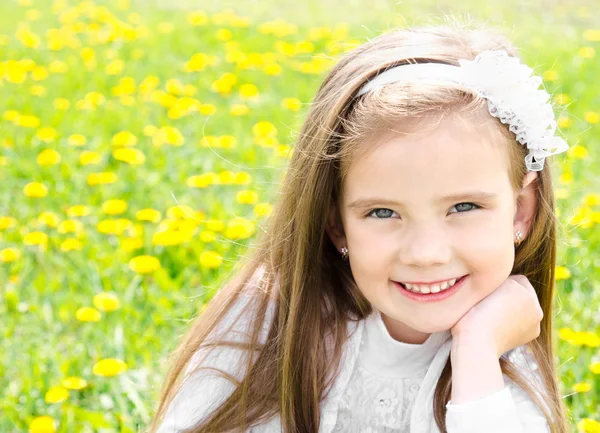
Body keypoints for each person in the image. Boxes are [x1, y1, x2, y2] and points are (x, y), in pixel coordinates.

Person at [147, 21, 572, 433]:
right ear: (336, 224)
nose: (425, 253)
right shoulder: (273, 317)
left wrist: (476, 356)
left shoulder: (505, 355)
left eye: (463, 206)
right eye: (383, 213)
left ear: (520, 210)